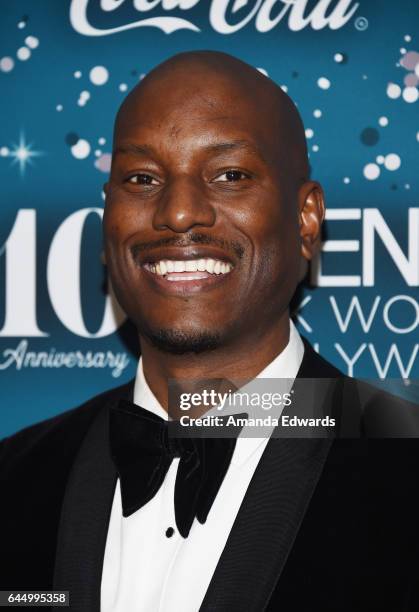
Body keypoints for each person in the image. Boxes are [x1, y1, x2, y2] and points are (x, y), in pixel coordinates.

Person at [1, 51, 419, 612]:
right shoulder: (14, 479)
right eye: (142, 178)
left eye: (229, 175)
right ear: (107, 219)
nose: (177, 213)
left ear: (306, 219)